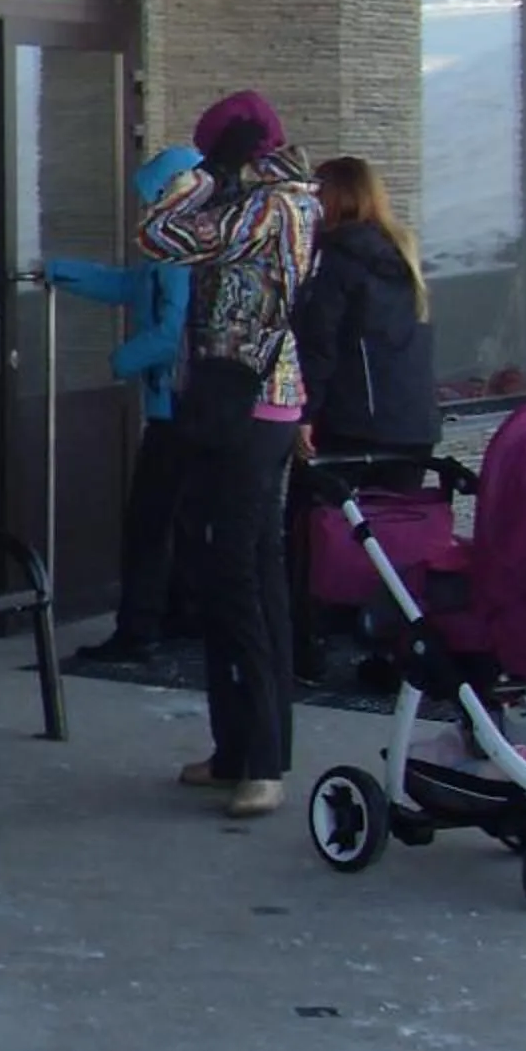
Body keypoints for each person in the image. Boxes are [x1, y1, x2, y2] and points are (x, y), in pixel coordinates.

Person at [138, 90, 320, 820]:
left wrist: (202, 176)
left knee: (237, 576)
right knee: (239, 571)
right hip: (240, 403)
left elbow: (161, 236)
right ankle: (238, 750)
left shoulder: (272, 206)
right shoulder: (280, 202)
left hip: (250, 405)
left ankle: (264, 761)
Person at [44, 144, 204, 665]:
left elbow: (170, 331)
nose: (145, 210)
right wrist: (60, 271)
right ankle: (181, 615)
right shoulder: (186, 247)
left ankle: (138, 630)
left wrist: (120, 360)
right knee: (180, 519)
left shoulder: (181, 253)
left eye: (152, 197)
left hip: (175, 409)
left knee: (150, 524)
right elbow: (130, 286)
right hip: (190, 406)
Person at [286, 155, 439, 678]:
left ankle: (305, 645)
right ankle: (386, 645)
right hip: (411, 423)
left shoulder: (338, 259)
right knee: (392, 541)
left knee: (312, 529)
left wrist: (304, 414)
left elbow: (322, 344)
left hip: (355, 422)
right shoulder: (402, 254)